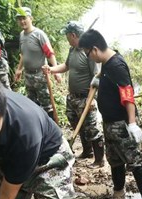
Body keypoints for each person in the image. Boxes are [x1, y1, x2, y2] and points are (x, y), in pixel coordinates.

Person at [78, 29, 142, 199]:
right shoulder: (106, 62)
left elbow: (128, 95)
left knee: (133, 159)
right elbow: (108, 81)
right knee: (114, 159)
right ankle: (119, 192)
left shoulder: (116, 65)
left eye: (88, 54)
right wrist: (99, 80)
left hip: (121, 123)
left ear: (95, 49)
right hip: (109, 122)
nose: (89, 58)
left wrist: (132, 124)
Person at [44, 21, 104, 167]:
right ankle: (86, 151)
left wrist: (90, 100)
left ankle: (99, 159)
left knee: (92, 128)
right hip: (73, 97)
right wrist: (52, 69)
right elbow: (66, 66)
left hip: (85, 97)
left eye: (67, 35)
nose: (66, 38)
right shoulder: (72, 50)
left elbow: (96, 76)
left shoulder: (88, 51)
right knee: (76, 123)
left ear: (73, 35)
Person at [13, 7, 60, 117]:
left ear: (31, 18)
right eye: (19, 19)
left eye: (24, 18)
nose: (22, 21)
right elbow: (23, 54)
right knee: (32, 104)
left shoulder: (39, 35)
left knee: (47, 105)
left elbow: (49, 53)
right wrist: (19, 69)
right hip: (28, 75)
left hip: (40, 75)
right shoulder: (21, 35)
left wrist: (56, 71)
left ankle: (51, 128)